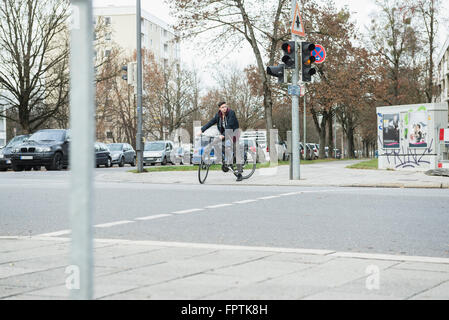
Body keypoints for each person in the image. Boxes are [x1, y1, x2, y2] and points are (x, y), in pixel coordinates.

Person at [197, 102, 243, 181]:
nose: (224, 108)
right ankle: (227, 161)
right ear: (219, 108)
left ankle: (239, 173)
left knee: (236, 150)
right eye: (222, 107)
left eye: (225, 106)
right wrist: (201, 130)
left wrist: (223, 135)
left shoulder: (231, 113)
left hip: (233, 133)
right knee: (215, 144)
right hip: (224, 134)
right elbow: (210, 123)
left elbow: (230, 125)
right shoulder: (218, 116)